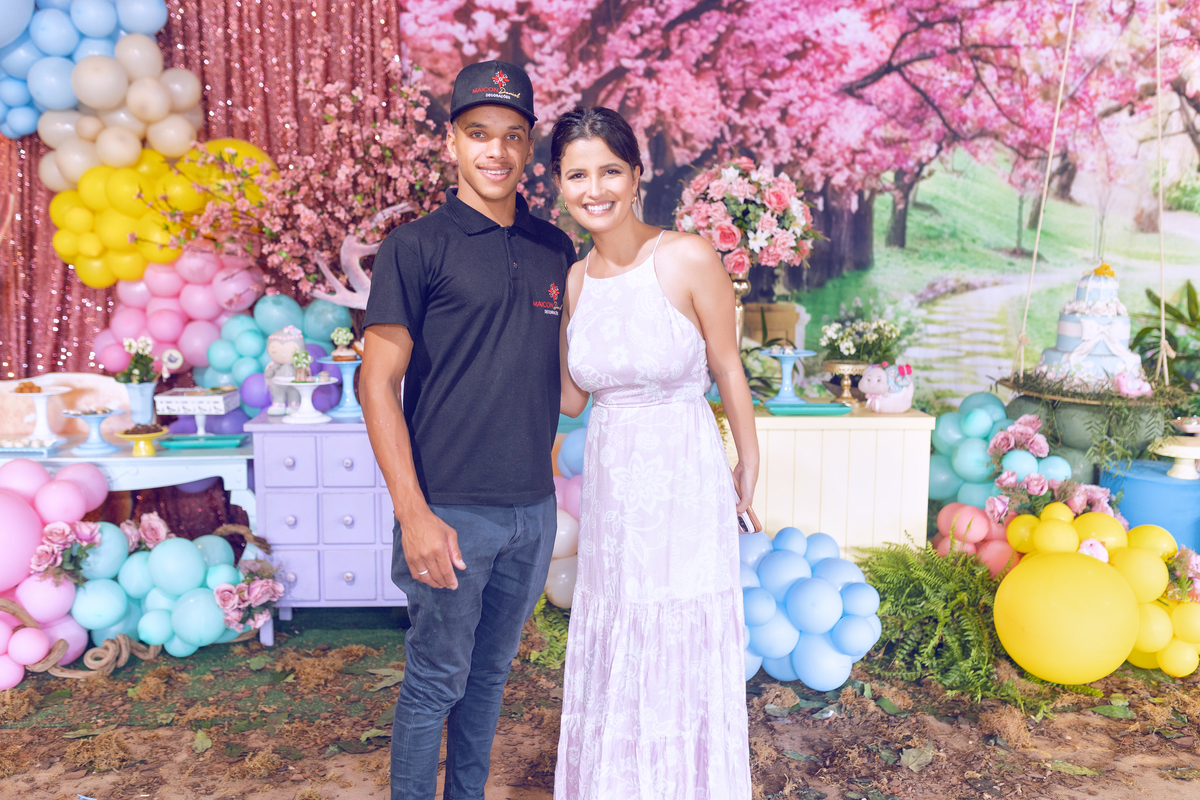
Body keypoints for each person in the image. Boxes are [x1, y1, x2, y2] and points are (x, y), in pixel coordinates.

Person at [360, 60, 577, 800]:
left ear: (530, 148)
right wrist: (414, 514)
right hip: (448, 510)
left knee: (489, 679)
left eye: (513, 135)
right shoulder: (415, 246)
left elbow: (569, 388)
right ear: (451, 142)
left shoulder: (555, 249)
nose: (496, 150)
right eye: (479, 132)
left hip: (532, 511)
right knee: (435, 682)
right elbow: (376, 384)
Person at [552, 107, 758, 797]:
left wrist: (748, 460)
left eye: (610, 171)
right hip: (614, 480)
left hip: (682, 473)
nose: (595, 189)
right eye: (577, 175)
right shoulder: (575, 281)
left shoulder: (686, 257)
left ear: (637, 175)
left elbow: (727, 365)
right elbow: (572, 398)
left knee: (678, 619)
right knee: (618, 621)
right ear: (559, 185)